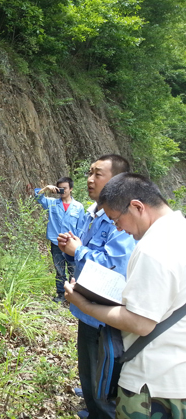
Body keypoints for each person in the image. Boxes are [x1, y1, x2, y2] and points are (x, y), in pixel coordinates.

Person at [65, 173, 186, 419]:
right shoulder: (179, 230)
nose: (118, 228)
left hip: (153, 387)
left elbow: (140, 322)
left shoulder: (153, 248)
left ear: (137, 207)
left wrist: (83, 304)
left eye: (116, 219)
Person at [57, 154, 136, 419]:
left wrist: (78, 250)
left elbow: (115, 265)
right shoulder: (92, 213)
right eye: (89, 173)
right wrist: (70, 249)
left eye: (98, 174)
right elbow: (83, 251)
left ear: (117, 181)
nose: (90, 179)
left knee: (105, 372)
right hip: (87, 305)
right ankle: (92, 406)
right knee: (88, 363)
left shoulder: (121, 219)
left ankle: (100, 411)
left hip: (106, 310)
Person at [35, 177, 85, 302]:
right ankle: (61, 294)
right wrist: (46, 188)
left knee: (74, 269)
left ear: (71, 189)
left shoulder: (78, 207)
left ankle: (74, 295)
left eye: (65, 188)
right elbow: (37, 197)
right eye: (59, 188)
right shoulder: (52, 203)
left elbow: (81, 227)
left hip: (72, 244)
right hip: (56, 243)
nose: (62, 191)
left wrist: (79, 244)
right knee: (59, 269)